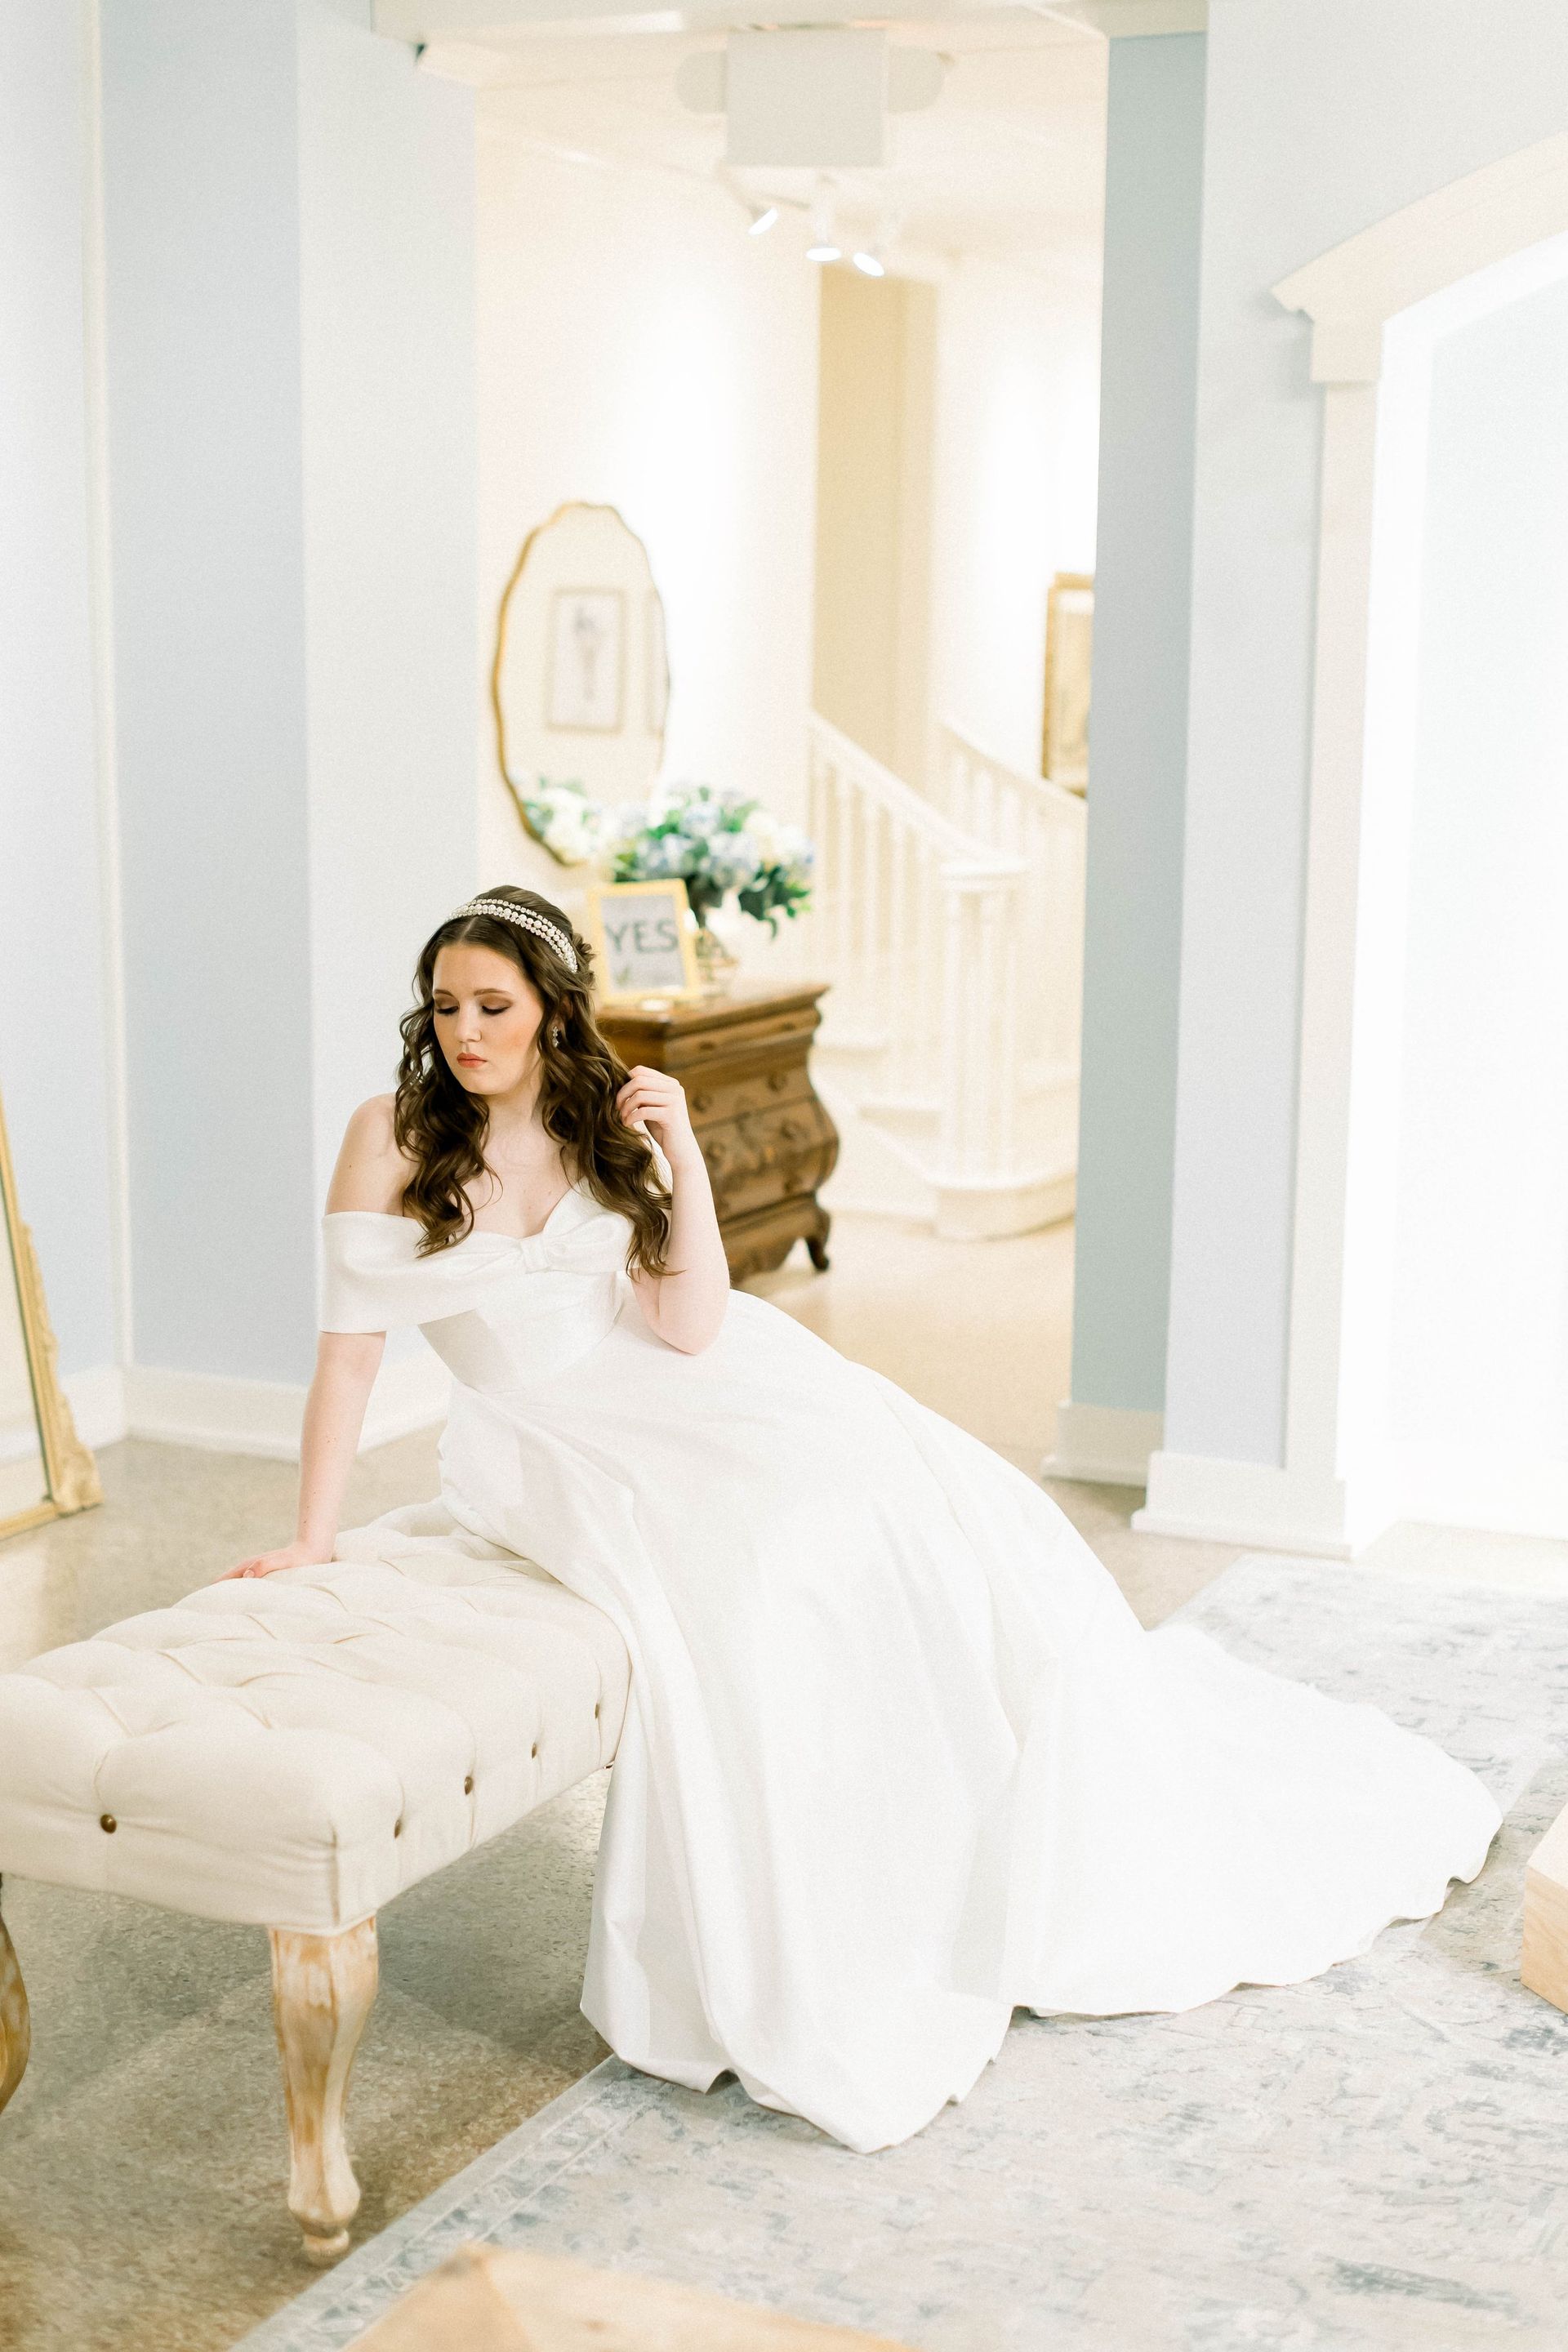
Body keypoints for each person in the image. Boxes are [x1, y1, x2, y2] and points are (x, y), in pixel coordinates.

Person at [225, 884, 1503, 2154]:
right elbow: (347, 1357)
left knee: (900, 1492)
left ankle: (962, 1839)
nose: (464, 1030)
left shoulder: (597, 1123)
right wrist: (315, 1535)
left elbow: (690, 1325)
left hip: (677, 1381)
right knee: (759, 1562)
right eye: (446, 1005)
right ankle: (838, 1909)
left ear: (555, 1013)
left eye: (493, 1005)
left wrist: (683, 1166)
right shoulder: (389, 1133)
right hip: (540, 1435)